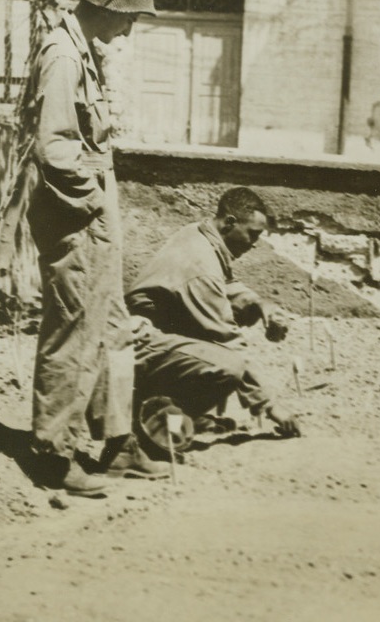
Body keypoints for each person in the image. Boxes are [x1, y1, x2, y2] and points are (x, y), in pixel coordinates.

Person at [23, 0, 165, 496]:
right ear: (107, 4)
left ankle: (119, 440)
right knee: (73, 331)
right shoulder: (62, 55)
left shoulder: (84, 51)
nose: (130, 27)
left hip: (94, 209)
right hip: (74, 214)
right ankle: (52, 454)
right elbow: (54, 149)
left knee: (114, 330)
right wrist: (90, 208)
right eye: (129, 15)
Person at [125, 187, 302, 449]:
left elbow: (224, 284)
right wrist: (270, 407)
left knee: (214, 351)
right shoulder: (201, 267)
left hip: (153, 338)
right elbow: (227, 338)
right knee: (227, 365)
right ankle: (155, 426)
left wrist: (258, 304)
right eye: (252, 234)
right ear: (230, 222)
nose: (254, 244)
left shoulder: (200, 234)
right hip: (135, 346)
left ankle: (185, 416)